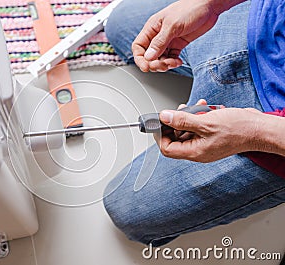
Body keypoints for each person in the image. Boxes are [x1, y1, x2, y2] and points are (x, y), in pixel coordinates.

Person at [103, 0, 285, 247]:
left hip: (273, 135)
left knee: (123, 205)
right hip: (264, 21)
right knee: (119, 23)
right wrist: (210, 4)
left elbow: (260, 131)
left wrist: (255, 132)